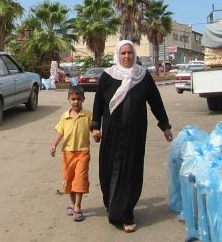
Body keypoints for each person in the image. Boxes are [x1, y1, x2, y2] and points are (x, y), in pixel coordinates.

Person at [91, 40, 173, 233]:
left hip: (135, 134)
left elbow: (156, 102)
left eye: (130, 53)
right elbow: (98, 104)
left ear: (134, 55)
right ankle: (111, 203)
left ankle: (125, 213)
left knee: (130, 172)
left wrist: (165, 126)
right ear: (118, 55)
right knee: (108, 170)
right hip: (112, 133)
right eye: (123, 53)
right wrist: (96, 126)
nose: (127, 56)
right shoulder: (108, 76)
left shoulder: (142, 77)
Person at [50, 85, 92, 223]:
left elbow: (94, 129)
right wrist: (54, 145)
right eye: (73, 99)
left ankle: (78, 207)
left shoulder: (87, 115)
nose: (76, 102)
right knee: (69, 179)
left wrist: (97, 134)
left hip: (83, 152)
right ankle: (73, 204)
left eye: (79, 99)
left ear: (83, 99)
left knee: (79, 179)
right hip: (67, 153)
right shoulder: (65, 116)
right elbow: (60, 132)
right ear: (68, 99)